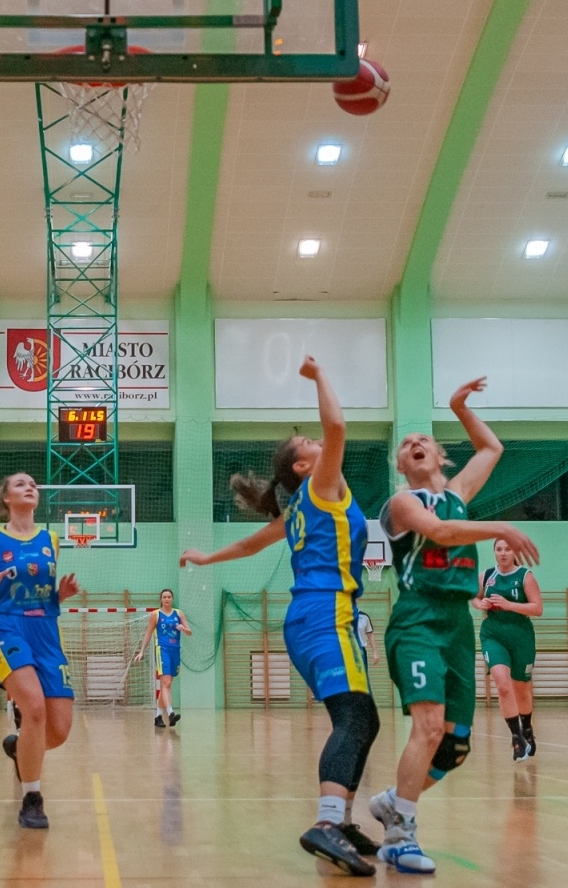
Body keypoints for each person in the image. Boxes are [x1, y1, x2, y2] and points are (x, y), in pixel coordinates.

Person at [180, 356, 382, 877]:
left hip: (315, 616)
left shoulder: (297, 508)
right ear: (303, 466)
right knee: (355, 718)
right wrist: (319, 378)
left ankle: (343, 820)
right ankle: (327, 822)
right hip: (324, 613)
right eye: (309, 446)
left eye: (315, 441)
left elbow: (252, 543)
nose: (320, 443)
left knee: (364, 718)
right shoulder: (322, 488)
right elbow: (337, 425)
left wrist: (206, 558)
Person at [365, 378, 540, 874]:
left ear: (441, 457)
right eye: (406, 444)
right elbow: (440, 532)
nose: (415, 444)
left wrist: (460, 406)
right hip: (417, 617)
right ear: (401, 465)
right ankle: (399, 836)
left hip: (458, 625)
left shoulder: (460, 491)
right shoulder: (401, 503)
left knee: (454, 744)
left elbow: (492, 447)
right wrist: (501, 527)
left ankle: (393, 801)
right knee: (427, 725)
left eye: (423, 440)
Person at [0, 471, 81, 829]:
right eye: (21, 484)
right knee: (34, 709)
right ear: (6, 497)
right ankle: (32, 798)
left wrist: (61, 596)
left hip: (47, 631)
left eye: (33, 485)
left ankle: (18, 746)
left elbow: (46, 594)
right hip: (8, 627)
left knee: (59, 731)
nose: (30, 487)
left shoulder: (51, 539)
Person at [475, 538, 543, 761]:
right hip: (493, 634)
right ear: (494, 552)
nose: (503, 553)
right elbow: (474, 597)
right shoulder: (486, 576)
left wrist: (509, 604)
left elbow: (537, 608)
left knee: (521, 688)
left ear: (515, 552)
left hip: (521, 635)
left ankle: (527, 729)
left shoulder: (525, 576)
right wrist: (480, 604)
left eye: (507, 549)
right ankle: (516, 738)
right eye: (499, 549)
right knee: (503, 685)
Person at [134, 588, 191, 728]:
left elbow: (189, 632)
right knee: (166, 683)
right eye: (164, 597)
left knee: (168, 684)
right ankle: (170, 713)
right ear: (161, 599)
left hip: (175, 650)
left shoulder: (179, 613)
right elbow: (148, 633)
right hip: (162, 650)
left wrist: (183, 629)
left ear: (172, 599)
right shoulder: (156, 615)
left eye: (169, 597)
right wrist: (141, 651)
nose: (167, 599)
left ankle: (158, 716)